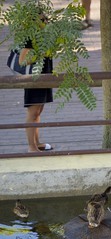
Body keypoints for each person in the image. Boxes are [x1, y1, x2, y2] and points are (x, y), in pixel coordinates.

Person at [20, 14, 54, 152]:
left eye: (46, 19)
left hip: (44, 77)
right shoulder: (30, 38)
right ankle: (31, 146)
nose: (45, 22)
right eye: (41, 20)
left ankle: (37, 142)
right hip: (33, 79)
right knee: (32, 112)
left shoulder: (45, 36)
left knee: (38, 111)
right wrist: (39, 53)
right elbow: (22, 61)